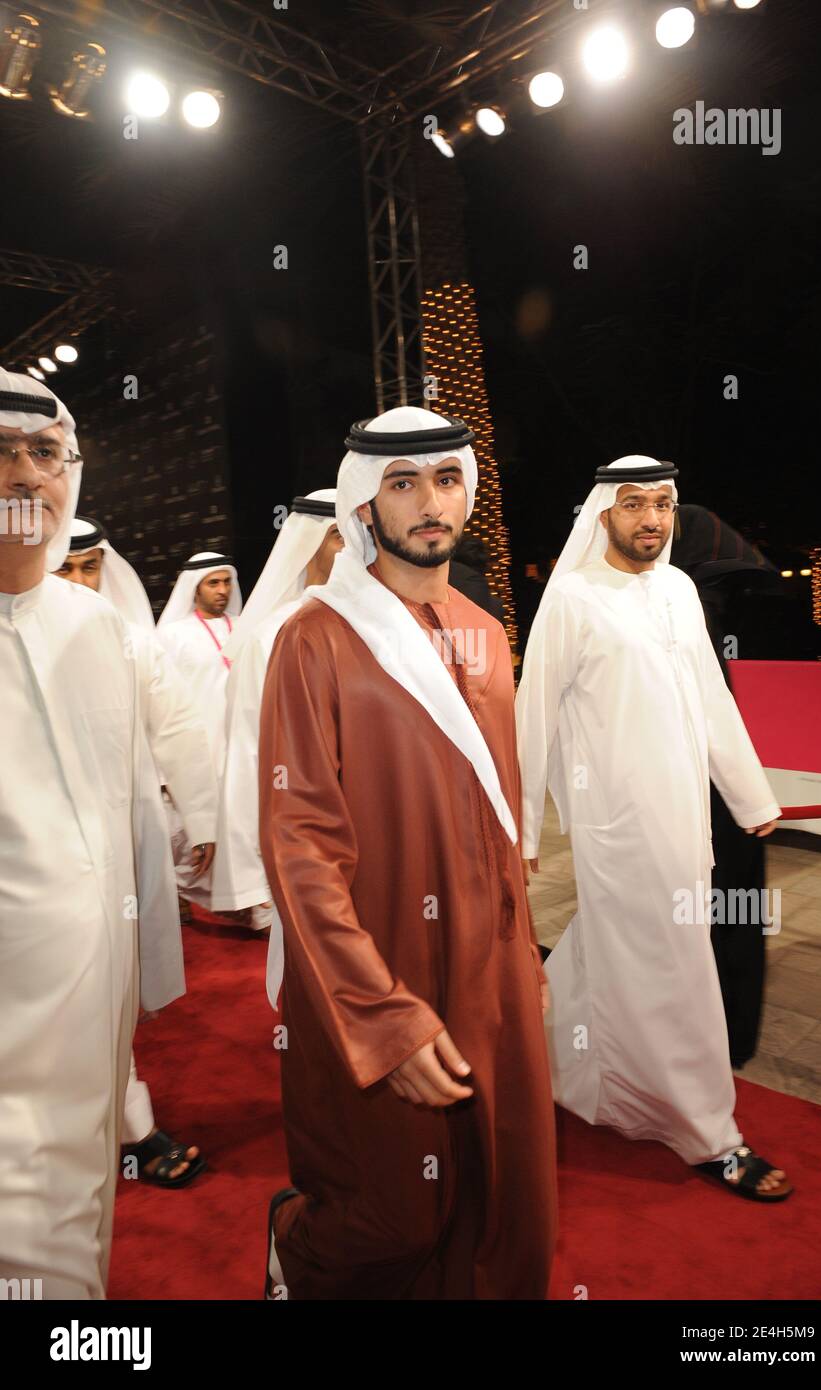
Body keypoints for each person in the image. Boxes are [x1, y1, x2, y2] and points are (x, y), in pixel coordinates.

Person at [258, 406, 556, 1299]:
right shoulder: (313, 638)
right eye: (402, 483)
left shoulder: (488, 634)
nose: (429, 501)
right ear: (365, 505)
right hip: (376, 961)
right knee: (389, 1211)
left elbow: (499, 818)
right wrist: (376, 1011)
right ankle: (289, 1251)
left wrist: (523, 951)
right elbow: (299, 844)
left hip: (492, 966)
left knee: (505, 1198)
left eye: (446, 478)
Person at [515, 455, 793, 1203]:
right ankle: (709, 1132)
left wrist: (748, 795)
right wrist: (521, 835)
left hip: (684, 820)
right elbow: (531, 715)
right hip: (615, 824)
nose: (650, 518)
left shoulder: (675, 589)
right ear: (603, 511)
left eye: (663, 503)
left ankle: (555, 1065)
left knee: (621, 955)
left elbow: (709, 698)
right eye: (634, 503)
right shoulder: (572, 598)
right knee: (679, 967)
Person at [0, 369, 184, 1299]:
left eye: (44, 453)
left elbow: (130, 802)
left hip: (93, 1016)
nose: (26, 475)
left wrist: (147, 964)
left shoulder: (96, 626)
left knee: (80, 1227)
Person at [56, 517, 214, 1186]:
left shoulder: (124, 639)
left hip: (113, 852)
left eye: (90, 567)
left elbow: (173, 721)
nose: (79, 582)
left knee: (108, 996)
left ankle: (128, 1128)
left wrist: (202, 816)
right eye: (68, 568)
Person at [671, 503, 786, 1066]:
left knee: (708, 915)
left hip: (703, 788)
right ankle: (731, 1032)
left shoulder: (686, 608)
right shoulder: (711, 602)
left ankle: (715, 1032)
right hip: (725, 789)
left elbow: (707, 713)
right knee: (732, 913)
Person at [211, 491, 341, 941]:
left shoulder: (389, 626)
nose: (357, 545)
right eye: (339, 535)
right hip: (305, 844)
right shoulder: (273, 636)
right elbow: (249, 752)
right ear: (307, 545)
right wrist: (250, 869)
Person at [156, 551, 242, 916]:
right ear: (194, 587)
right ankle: (180, 888)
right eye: (213, 583)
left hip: (238, 743)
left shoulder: (245, 625)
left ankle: (243, 900)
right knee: (187, 828)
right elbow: (161, 702)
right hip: (195, 746)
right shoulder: (172, 635)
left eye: (227, 582)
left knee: (238, 823)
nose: (222, 590)